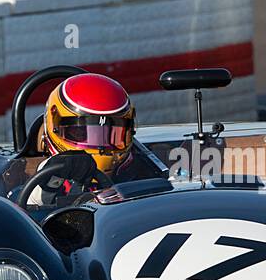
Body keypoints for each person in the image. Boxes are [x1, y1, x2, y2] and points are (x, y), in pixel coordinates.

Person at [26, 72, 166, 206]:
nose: (99, 147)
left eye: (111, 134)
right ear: (54, 125)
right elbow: (24, 208)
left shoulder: (146, 170)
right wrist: (51, 180)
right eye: (81, 133)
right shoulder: (31, 173)